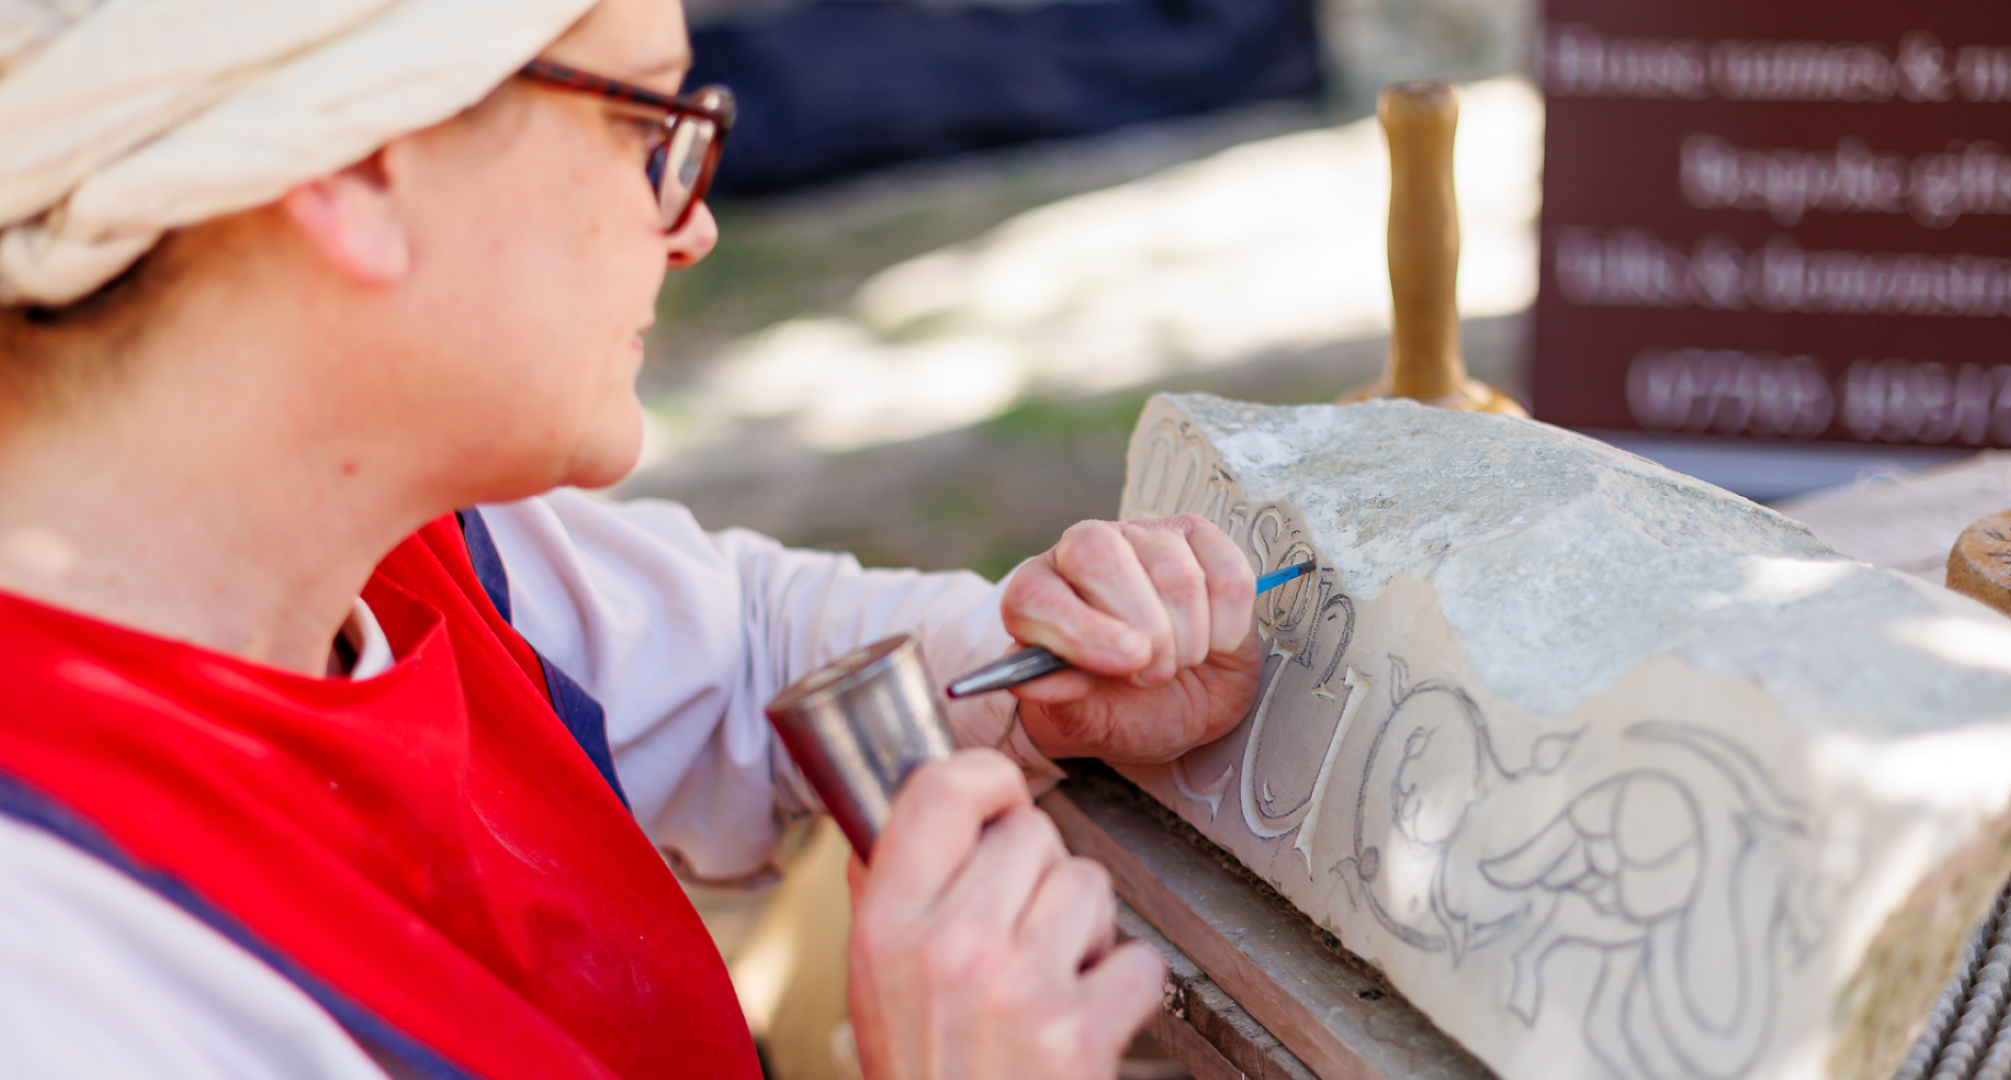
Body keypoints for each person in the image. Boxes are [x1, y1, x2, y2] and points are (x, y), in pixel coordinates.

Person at [0, 1, 1263, 1078]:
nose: (691, 225)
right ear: (357, 162)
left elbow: (750, 646)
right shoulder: (60, 970)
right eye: (644, 126)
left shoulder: (406, 547)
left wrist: (1029, 679)